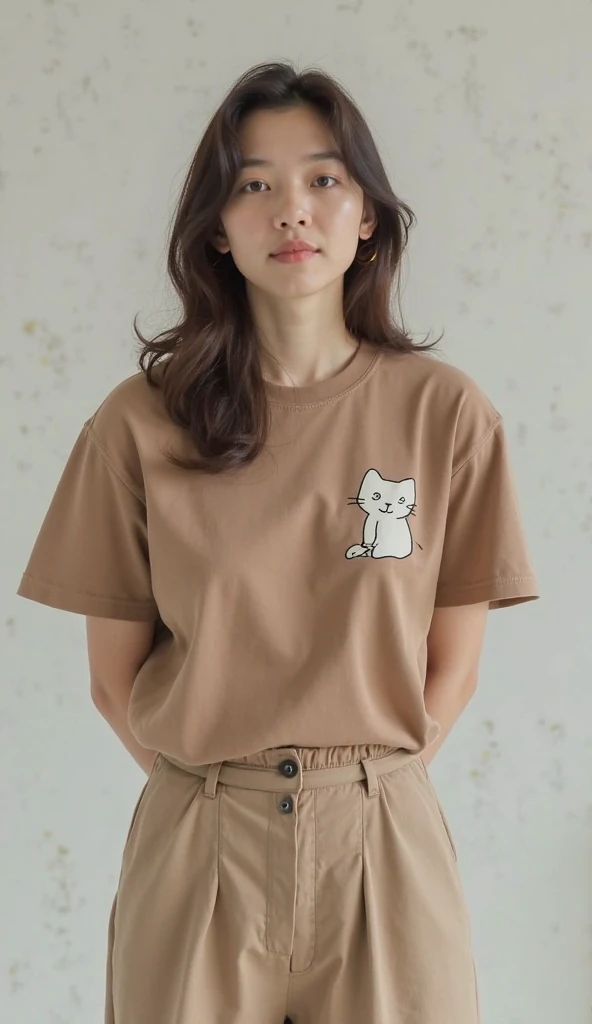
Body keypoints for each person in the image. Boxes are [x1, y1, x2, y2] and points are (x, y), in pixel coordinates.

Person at [16, 60, 539, 1024]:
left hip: (383, 838)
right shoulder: (139, 424)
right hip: (199, 836)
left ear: (368, 215)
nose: (291, 211)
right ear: (217, 226)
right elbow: (111, 680)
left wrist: (359, 801)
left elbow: (453, 670)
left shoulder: (446, 416)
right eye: (253, 185)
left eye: (324, 180)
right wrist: (220, 798)